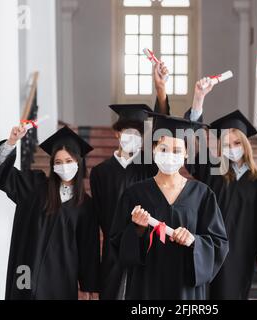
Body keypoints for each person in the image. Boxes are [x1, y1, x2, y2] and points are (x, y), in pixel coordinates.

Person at [173, 78, 257, 299]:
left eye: (237, 144)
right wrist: (199, 99)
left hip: (241, 255)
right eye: (227, 145)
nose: (232, 149)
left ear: (246, 145)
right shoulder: (213, 171)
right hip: (207, 251)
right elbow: (191, 149)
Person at [109, 115, 229, 299]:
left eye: (177, 150)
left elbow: (219, 243)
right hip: (146, 287)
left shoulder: (202, 194)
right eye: (164, 148)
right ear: (154, 149)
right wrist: (138, 230)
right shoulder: (134, 194)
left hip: (185, 290)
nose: (170, 155)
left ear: (186, 153)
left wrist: (194, 241)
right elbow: (117, 244)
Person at [0, 125, 100, 300]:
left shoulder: (85, 205)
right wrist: (11, 142)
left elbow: (88, 250)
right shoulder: (35, 187)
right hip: (25, 271)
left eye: (69, 161)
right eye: (58, 162)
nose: (64, 166)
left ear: (78, 162)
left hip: (60, 279)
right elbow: (4, 175)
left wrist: (87, 287)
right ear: (52, 165)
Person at [90, 62, 170, 299]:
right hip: (114, 250)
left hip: (147, 246)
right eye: (126, 132)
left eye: (137, 133)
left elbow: (162, 127)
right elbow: (100, 218)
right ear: (117, 133)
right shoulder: (101, 173)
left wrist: (161, 90)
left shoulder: (150, 167)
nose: (131, 137)